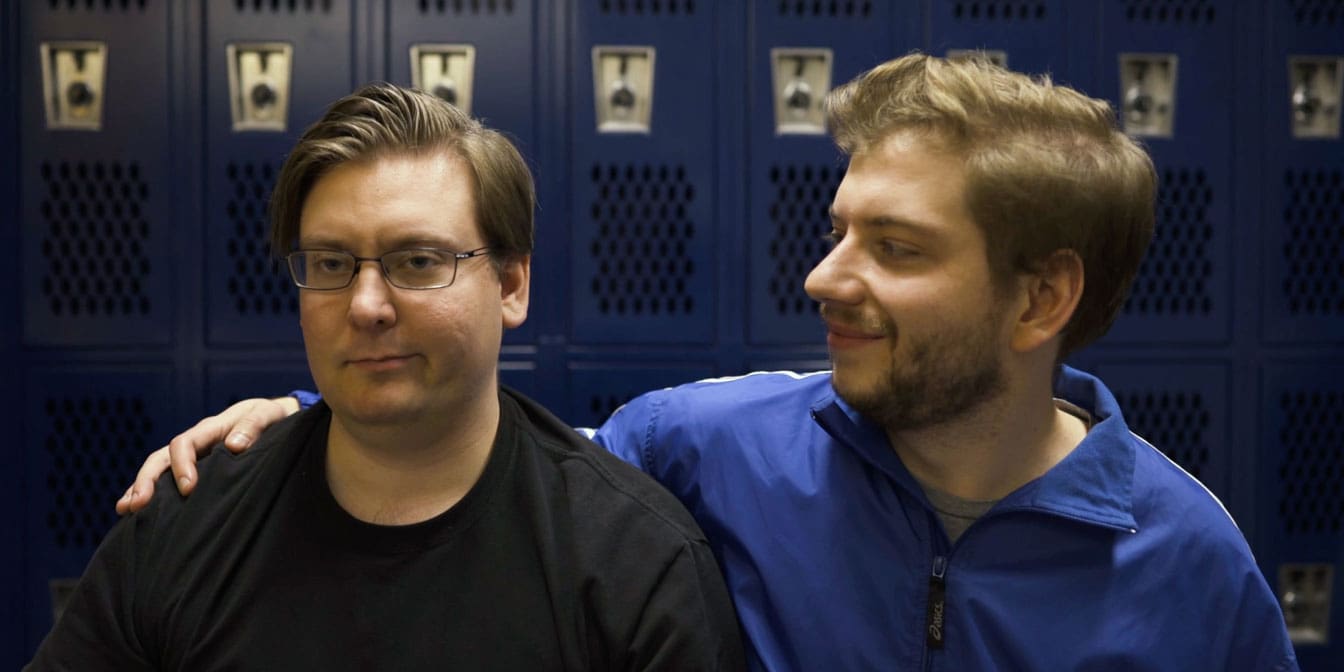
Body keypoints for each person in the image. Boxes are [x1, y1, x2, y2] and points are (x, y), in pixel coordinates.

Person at [117, 55, 1298, 670]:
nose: (824, 279)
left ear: (1042, 296)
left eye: (892, 248)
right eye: (836, 231)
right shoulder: (706, 447)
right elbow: (484, 468)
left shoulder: (1191, 567)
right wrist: (310, 414)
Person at [29, 83, 745, 671]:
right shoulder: (185, 522)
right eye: (331, 265)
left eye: (419, 262)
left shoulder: (635, 567)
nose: (366, 306)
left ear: (511, 284)